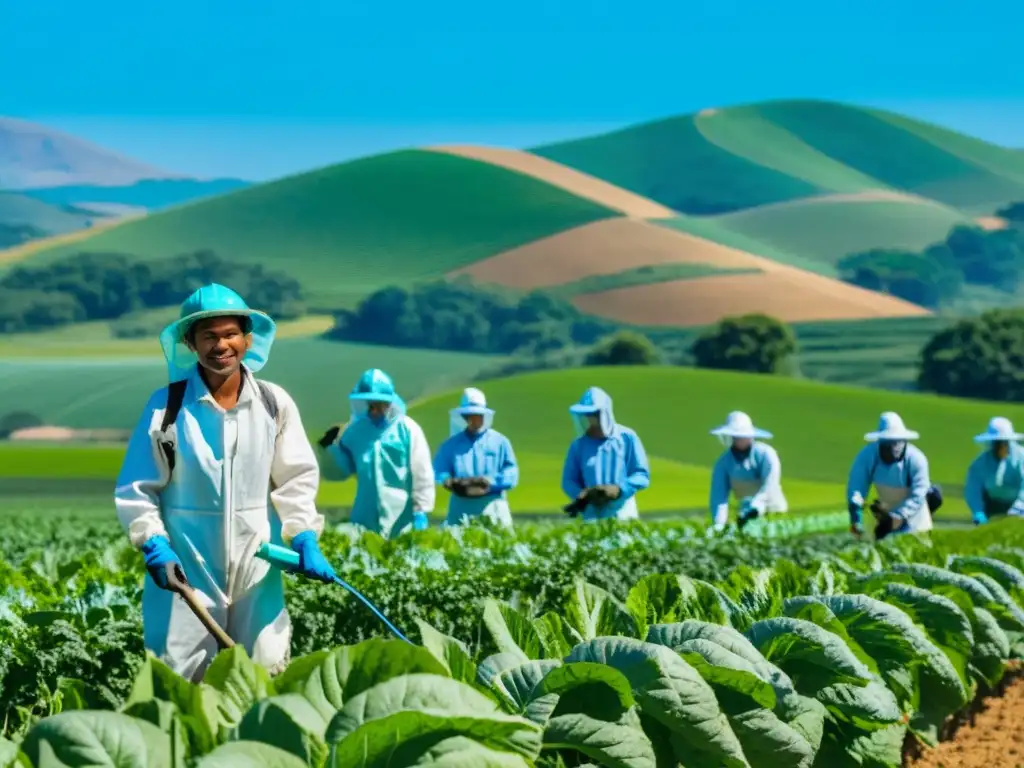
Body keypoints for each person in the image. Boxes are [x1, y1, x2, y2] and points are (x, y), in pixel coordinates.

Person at [114, 284, 331, 682]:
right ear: (191, 344)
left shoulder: (273, 402)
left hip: (257, 563)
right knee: (180, 677)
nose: (221, 346)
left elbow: (295, 478)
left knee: (265, 669)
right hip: (187, 563)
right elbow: (138, 487)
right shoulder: (167, 406)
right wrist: (154, 543)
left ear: (248, 339)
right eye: (208, 336)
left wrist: (303, 536)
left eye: (230, 334)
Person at [317, 368, 435, 538]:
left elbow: (421, 472)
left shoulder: (408, 429)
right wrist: (328, 448)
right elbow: (339, 471)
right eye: (371, 405)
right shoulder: (355, 432)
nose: (375, 410)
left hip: (402, 519)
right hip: (364, 518)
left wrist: (421, 510)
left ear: (390, 403)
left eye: (380, 405)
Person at [432, 388, 519, 528]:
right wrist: (450, 481)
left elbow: (511, 474)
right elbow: (439, 470)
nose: (474, 419)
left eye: (478, 415)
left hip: (493, 506)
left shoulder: (500, 442)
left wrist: (488, 482)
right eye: (470, 415)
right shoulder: (450, 445)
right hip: (461, 507)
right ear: (464, 417)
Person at [846, 411, 941, 539]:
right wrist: (855, 513)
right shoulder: (868, 456)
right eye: (887, 443)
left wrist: (897, 516)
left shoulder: (916, 459)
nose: (892, 448)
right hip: (887, 511)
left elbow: (919, 493)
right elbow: (857, 485)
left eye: (896, 442)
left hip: (915, 516)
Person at [561, 386, 650, 521]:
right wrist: (583, 495)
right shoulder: (578, 446)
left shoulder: (626, 438)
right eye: (589, 414)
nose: (592, 419)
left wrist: (618, 490)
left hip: (623, 512)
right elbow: (568, 480)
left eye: (596, 414)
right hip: (591, 514)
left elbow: (641, 475)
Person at [708, 411, 787, 530]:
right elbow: (719, 496)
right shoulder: (723, 463)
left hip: (773, 511)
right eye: (737, 437)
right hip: (745, 515)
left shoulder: (766, 454)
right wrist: (718, 524)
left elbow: (770, 484)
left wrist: (755, 506)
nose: (741, 439)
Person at [964, 417, 1024, 525]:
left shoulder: (1021, 458)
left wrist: (1018, 508)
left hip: (1020, 508)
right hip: (991, 506)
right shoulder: (979, 464)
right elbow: (973, 490)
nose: (1000, 447)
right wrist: (978, 512)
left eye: (1003, 442)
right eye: (997, 443)